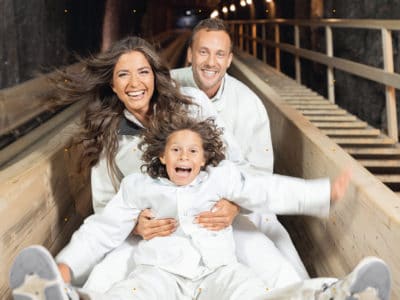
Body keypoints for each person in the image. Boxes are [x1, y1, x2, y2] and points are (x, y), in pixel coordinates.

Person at [9, 116, 390, 300]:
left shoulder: (221, 179)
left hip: (220, 272)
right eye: (176, 150)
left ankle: (330, 295)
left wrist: (321, 194)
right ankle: (64, 296)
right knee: (130, 294)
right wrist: (67, 265)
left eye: (193, 151)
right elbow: (102, 228)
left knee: (255, 293)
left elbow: (266, 191)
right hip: (161, 274)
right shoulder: (140, 186)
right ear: (161, 154)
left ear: (205, 157)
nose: (184, 156)